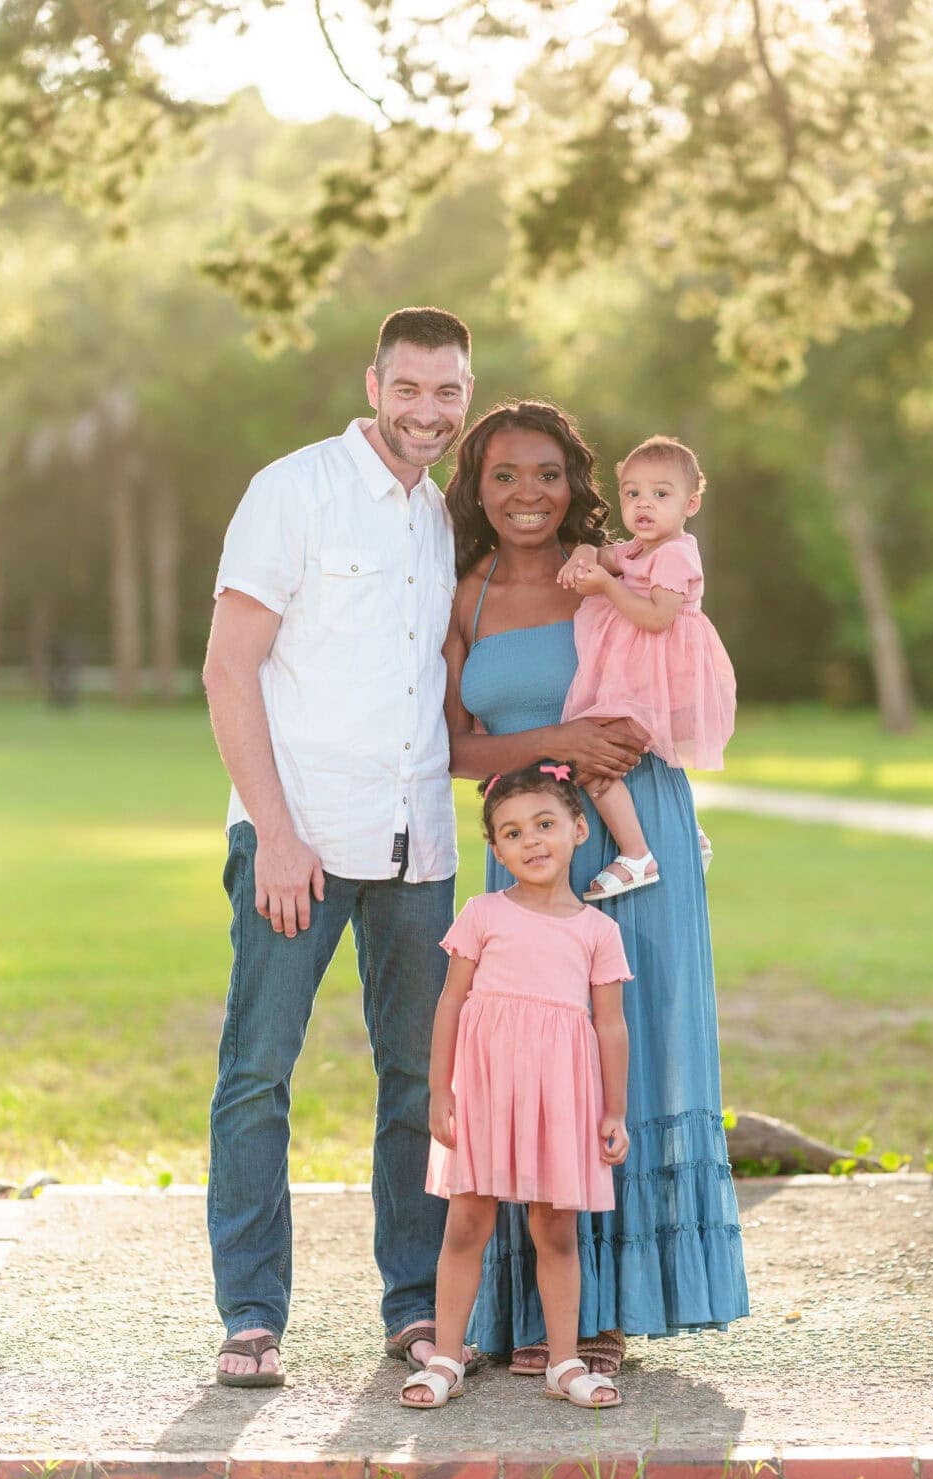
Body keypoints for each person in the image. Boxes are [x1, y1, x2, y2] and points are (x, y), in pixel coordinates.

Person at [441, 401, 749, 1377]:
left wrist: (617, 762)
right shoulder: (465, 595)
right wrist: (552, 744)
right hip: (523, 849)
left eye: (546, 473)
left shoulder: (615, 570)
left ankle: (607, 1307)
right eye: (503, 475)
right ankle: (530, 1309)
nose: (526, 493)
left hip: (630, 835)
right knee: (528, 1061)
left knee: (627, 1048)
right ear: (477, 489)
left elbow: (683, 664)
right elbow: (453, 746)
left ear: (576, 483)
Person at [202, 306, 476, 1387]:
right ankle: (252, 1316)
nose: (426, 411)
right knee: (258, 1075)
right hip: (298, 841)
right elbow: (230, 669)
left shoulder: (444, 519)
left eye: (446, 391)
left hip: (419, 849)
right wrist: (274, 831)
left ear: (465, 393)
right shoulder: (294, 490)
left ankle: (413, 1306)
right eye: (407, 388)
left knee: (417, 1078)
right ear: (373, 384)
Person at [400, 761, 630, 1411]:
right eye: (511, 832)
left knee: (556, 1229)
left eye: (545, 824)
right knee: (467, 1222)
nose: (531, 841)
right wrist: (441, 1091)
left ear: (578, 830)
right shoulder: (481, 914)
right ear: (494, 848)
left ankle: (563, 1362)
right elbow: (450, 1004)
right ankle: (446, 1356)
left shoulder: (597, 931)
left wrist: (616, 1111)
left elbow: (610, 1028)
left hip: (560, 1100)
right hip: (485, 1093)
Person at [558, 435, 736, 900]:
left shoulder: (676, 555)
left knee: (593, 756)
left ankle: (636, 855)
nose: (644, 504)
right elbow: (600, 554)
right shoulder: (637, 549)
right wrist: (583, 555)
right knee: (595, 750)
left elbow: (657, 619)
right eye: (632, 493)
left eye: (661, 494)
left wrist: (607, 589)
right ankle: (689, 834)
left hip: (663, 682)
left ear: (690, 503)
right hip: (640, 678)